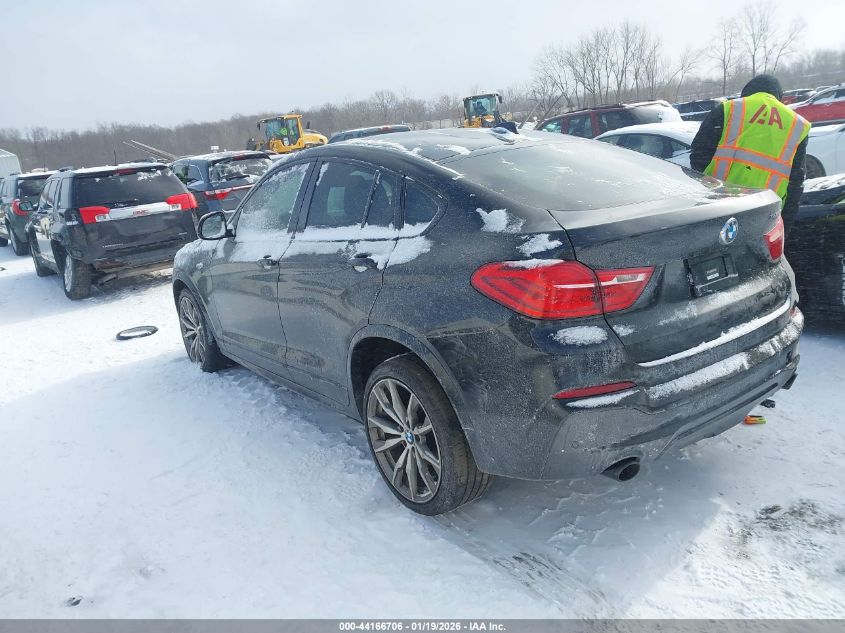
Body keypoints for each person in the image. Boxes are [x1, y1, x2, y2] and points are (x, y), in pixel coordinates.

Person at [691, 74, 810, 233]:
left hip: (718, 208)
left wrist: (711, 188)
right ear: (778, 97)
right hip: (765, 216)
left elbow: (698, 154)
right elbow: (795, 182)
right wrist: (784, 227)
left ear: (747, 93)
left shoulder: (729, 109)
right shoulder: (797, 124)